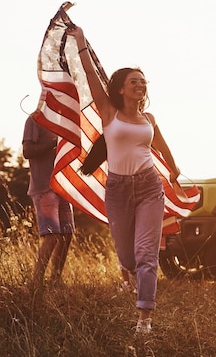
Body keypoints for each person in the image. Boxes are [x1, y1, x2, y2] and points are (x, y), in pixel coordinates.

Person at [68, 25, 181, 335]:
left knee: (147, 255)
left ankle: (144, 320)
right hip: (117, 189)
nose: (140, 85)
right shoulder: (108, 112)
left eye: (143, 81)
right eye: (134, 81)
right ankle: (126, 273)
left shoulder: (149, 120)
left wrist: (174, 169)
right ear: (120, 88)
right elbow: (91, 77)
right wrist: (80, 43)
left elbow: (161, 145)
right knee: (128, 256)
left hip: (149, 187)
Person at [23, 114, 75, 289]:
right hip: (44, 188)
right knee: (52, 235)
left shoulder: (64, 122)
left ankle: (55, 281)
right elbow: (27, 151)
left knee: (67, 234)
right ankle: (36, 283)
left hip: (62, 187)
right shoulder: (34, 120)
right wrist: (55, 142)